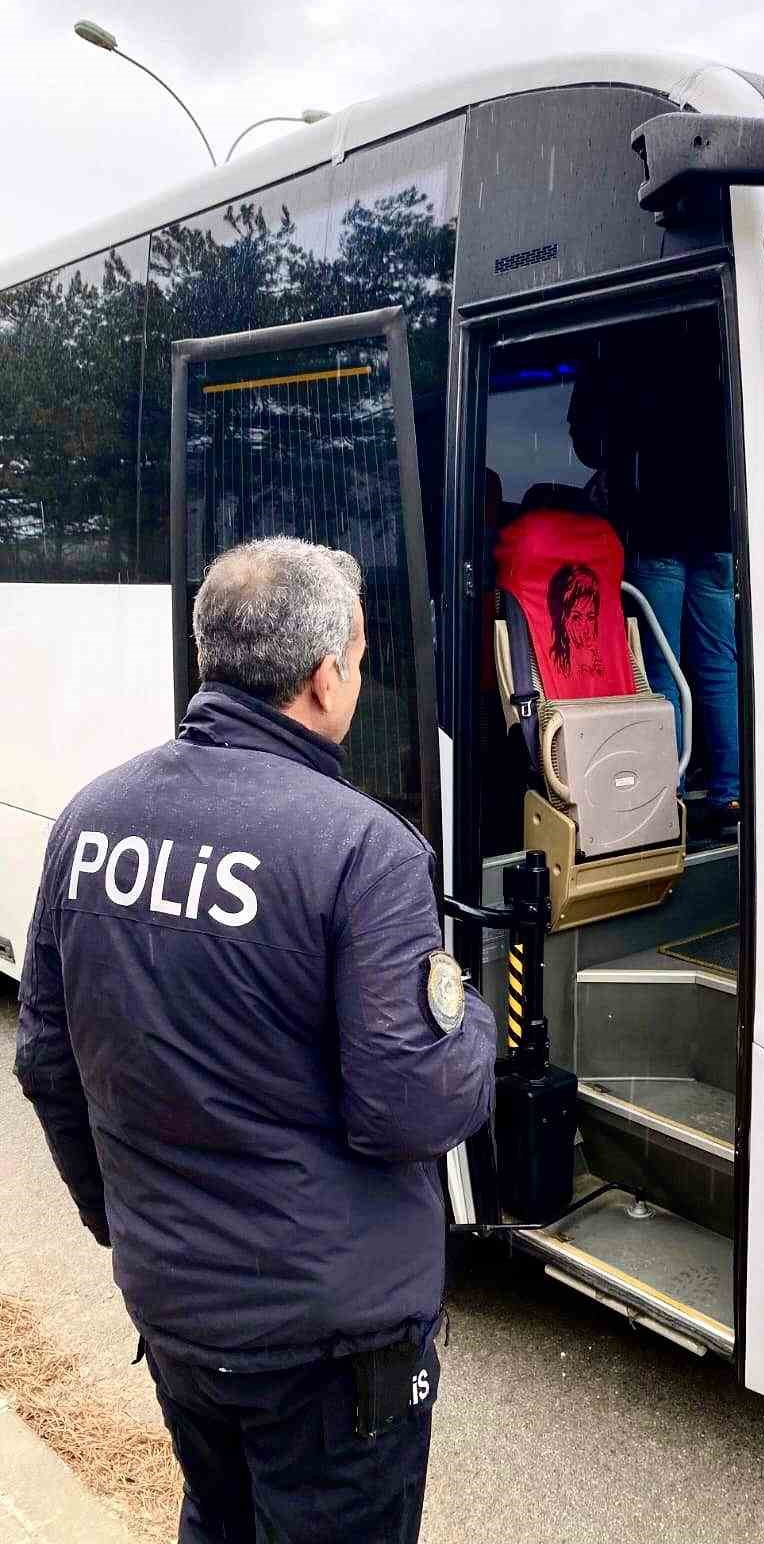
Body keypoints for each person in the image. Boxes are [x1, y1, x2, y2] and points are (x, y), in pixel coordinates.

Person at [14, 536, 496, 1544]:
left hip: (176, 1311)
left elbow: (48, 1060)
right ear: (325, 677)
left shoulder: (89, 822)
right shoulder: (363, 850)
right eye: (357, 659)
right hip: (330, 1344)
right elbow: (411, 1106)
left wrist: (129, 1223)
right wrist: (472, 1023)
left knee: (218, 1519)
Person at [567, 318, 741, 827]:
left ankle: (673, 793)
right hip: (719, 530)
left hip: (658, 529)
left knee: (664, 668)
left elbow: (590, 443)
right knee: (719, 664)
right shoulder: (717, 337)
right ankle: (730, 791)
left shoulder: (621, 341)